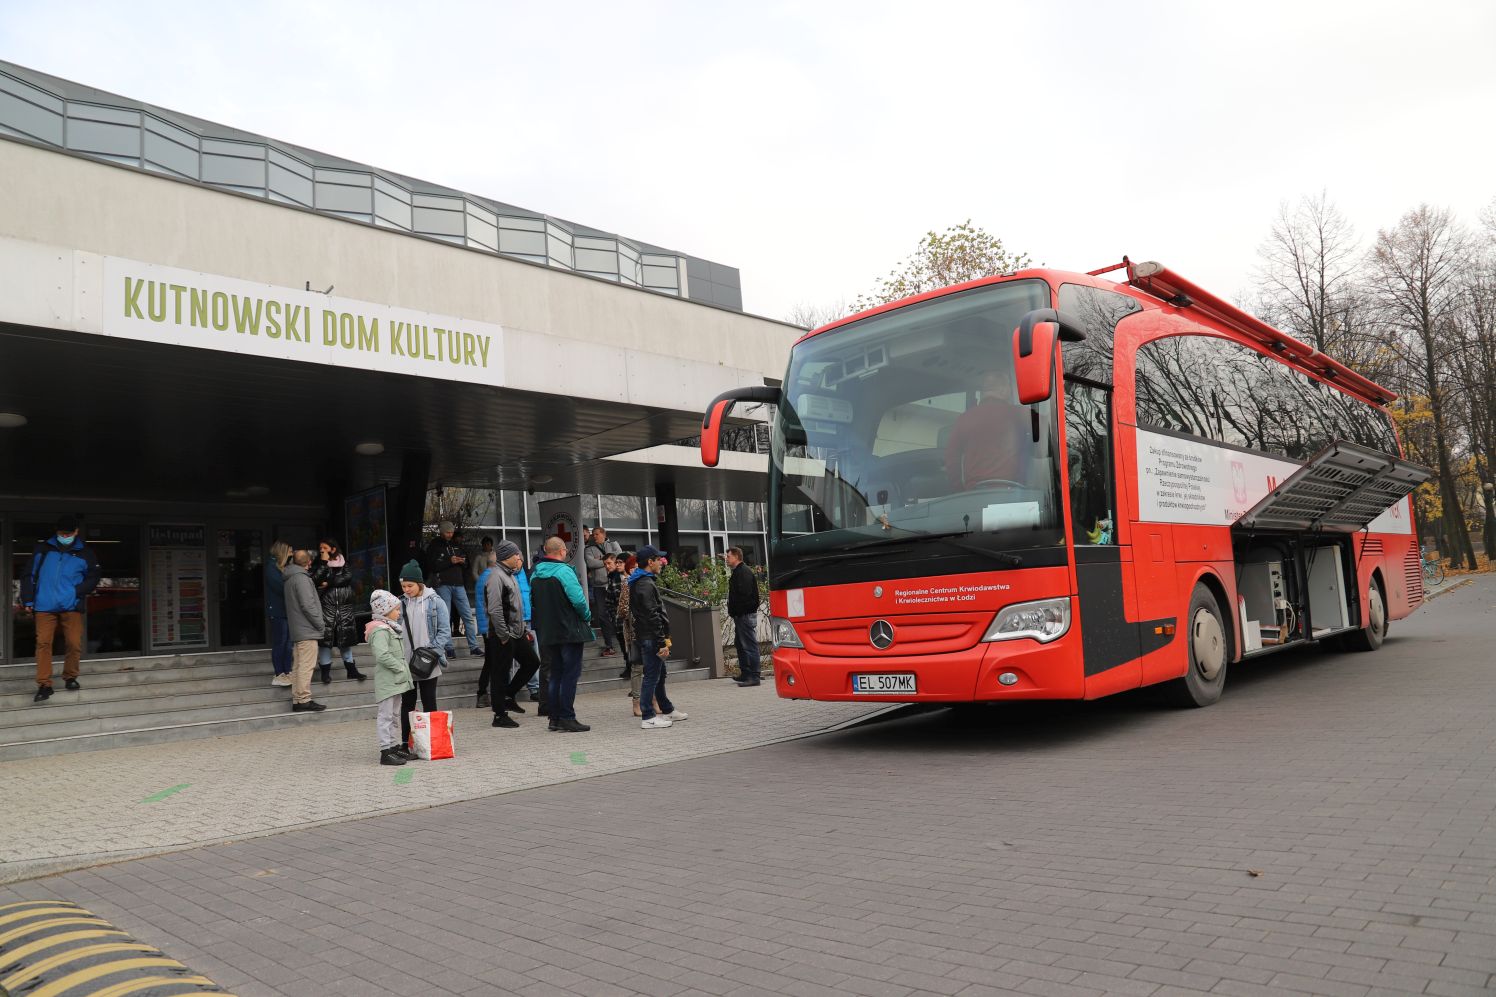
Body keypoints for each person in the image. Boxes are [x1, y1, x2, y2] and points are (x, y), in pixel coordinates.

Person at [20, 515, 101, 704]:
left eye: (68, 533)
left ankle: (70, 677)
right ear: (56, 532)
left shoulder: (85, 553)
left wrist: (76, 591)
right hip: (43, 605)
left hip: (70, 605)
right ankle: (44, 684)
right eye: (61, 533)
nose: (64, 536)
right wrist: (28, 598)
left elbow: (94, 577)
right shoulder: (43, 549)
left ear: (76, 532)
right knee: (43, 643)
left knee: (74, 643)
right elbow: (28, 574)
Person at [530, 536, 593, 733]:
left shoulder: (535, 574)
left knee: (555, 674)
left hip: (548, 632)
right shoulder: (564, 571)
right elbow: (579, 601)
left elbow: (533, 602)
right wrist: (587, 617)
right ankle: (567, 716)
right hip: (569, 631)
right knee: (570, 675)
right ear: (562, 551)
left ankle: (554, 718)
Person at [485, 540, 543, 729]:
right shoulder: (496, 576)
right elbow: (494, 609)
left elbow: (515, 607)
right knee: (500, 673)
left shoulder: (511, 575)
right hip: (503, 634)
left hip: (517, 632)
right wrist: (504, 635)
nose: (519, 557)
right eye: (516, 554)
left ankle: (509, 695)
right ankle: (499, 715)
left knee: (532, 662)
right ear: (507, 556)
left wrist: (523, 630)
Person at [630, 546, 688, 729]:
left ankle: (667, 709)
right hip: (651, 637)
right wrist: (661, 641)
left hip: (649, 636)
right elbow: (651, 615)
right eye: (658, 559)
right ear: (650, 562)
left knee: (659, 674)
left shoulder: (641, 581)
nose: (661, 562)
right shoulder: (645, 584)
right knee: (652, 676)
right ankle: (648, 716)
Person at [945, 369, 1032, 491]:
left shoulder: (964, 419)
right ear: (1004, 390)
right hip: (1012, 496)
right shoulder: (1019, 413)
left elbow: (951, 460)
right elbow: (1049, 433)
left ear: (984, 392)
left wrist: (960, 491)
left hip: (975, 495)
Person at [398, 559, 449, 749]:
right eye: (403, 586)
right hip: (406, 661)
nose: (406, 590)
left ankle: (432, 742)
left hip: (428, 661)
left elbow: (444, 631)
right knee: (407, 704)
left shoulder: (436, 602)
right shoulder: (400, 603)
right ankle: (405, 743)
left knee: (429, 702)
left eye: (409, 585)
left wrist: (432, 651)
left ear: (419, 583)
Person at [366, 589, 415, 766]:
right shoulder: (380, 630)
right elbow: (382, 655)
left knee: (394, 715)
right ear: (385, 611)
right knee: (386, 716)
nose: (399, 612)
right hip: (388, 681)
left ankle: (394, 747)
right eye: (396, 609)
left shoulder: (389, 628)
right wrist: (400, 667)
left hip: (395, 681)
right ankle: (385, 751)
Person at [310, 537, 365, 685]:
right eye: (320, 548)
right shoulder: (319, 563)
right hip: (326, 606)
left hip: (344, 606)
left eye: (325, 548)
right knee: (325, 640)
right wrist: (323, 563)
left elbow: (347, 577)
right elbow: (315, 580)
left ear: (333, 549)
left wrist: (329, 583)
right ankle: (325, 673)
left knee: (345, 638)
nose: (322, 550)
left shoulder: (343, 561)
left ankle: (351, 670)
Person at [424, 521, 481, 658]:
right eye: (447, 532)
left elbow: (467, 564)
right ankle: (449, 648)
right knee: (445, 616)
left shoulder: (456, 545)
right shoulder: (435, 545)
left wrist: (463, 561)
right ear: (442, 532)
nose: (450, 534)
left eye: (451, 532)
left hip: (459, 584)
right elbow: (431, 565)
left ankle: (474, 647)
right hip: (443, 584)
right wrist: (450, 561)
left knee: (467, 614)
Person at [282, 549, 327, 713]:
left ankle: (298, 699)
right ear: (308, 563)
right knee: (306, 666)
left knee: (298, 666)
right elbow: (308, 606)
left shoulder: (290, 577)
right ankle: (304, 699)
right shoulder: (301, 579)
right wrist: (321, 625)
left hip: (298, 629)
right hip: (307, 629)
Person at [725, 547, 762, 687]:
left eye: (728, 556)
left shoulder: (743, 572)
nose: (726, 559)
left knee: (749, 645)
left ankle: (754, 676)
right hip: (740, 615)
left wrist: (738, 612)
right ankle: (746, 673)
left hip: (744, 615)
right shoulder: (738, 572)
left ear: (736, 557)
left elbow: (745, 596)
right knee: (740, 644)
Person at [584, 527, 623, 657]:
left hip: (614, 584)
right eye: (592, 535)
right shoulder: (589, 549)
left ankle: (622, 641)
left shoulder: (613, 544)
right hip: (599, 587)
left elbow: (619, 557)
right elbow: (590, 563)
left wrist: (600, 559)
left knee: (619, 613)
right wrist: (607, 560)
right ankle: (609, 644)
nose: (594, 537)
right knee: (602, 615)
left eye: (596, 534)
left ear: (603, 534)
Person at [264, 541, 294, 687]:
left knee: (288, 643)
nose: (292, 552)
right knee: (280, 642)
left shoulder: (284, 567)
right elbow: (282, 587)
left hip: (287, 611)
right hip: (277, 611)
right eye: (290, 550)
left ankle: (287, 672)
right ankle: (279, 674)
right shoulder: (271, 568)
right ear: (283, 551)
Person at [474, 551, 498, 708]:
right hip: (491, 625)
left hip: (486, 624)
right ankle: (484, 693)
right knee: (493, 661)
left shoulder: (484, 576)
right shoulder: (492, 578)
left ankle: (483, 693)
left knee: (491, 660)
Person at [605, 553, 629, 679]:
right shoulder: (614, 580)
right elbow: (609, 602)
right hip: (620, 622)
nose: (617, 564)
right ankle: (629, 667)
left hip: (635, 622)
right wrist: (615, 616)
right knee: (624, 647)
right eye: (617, 562)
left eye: (621, 562)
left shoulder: (634, 578)